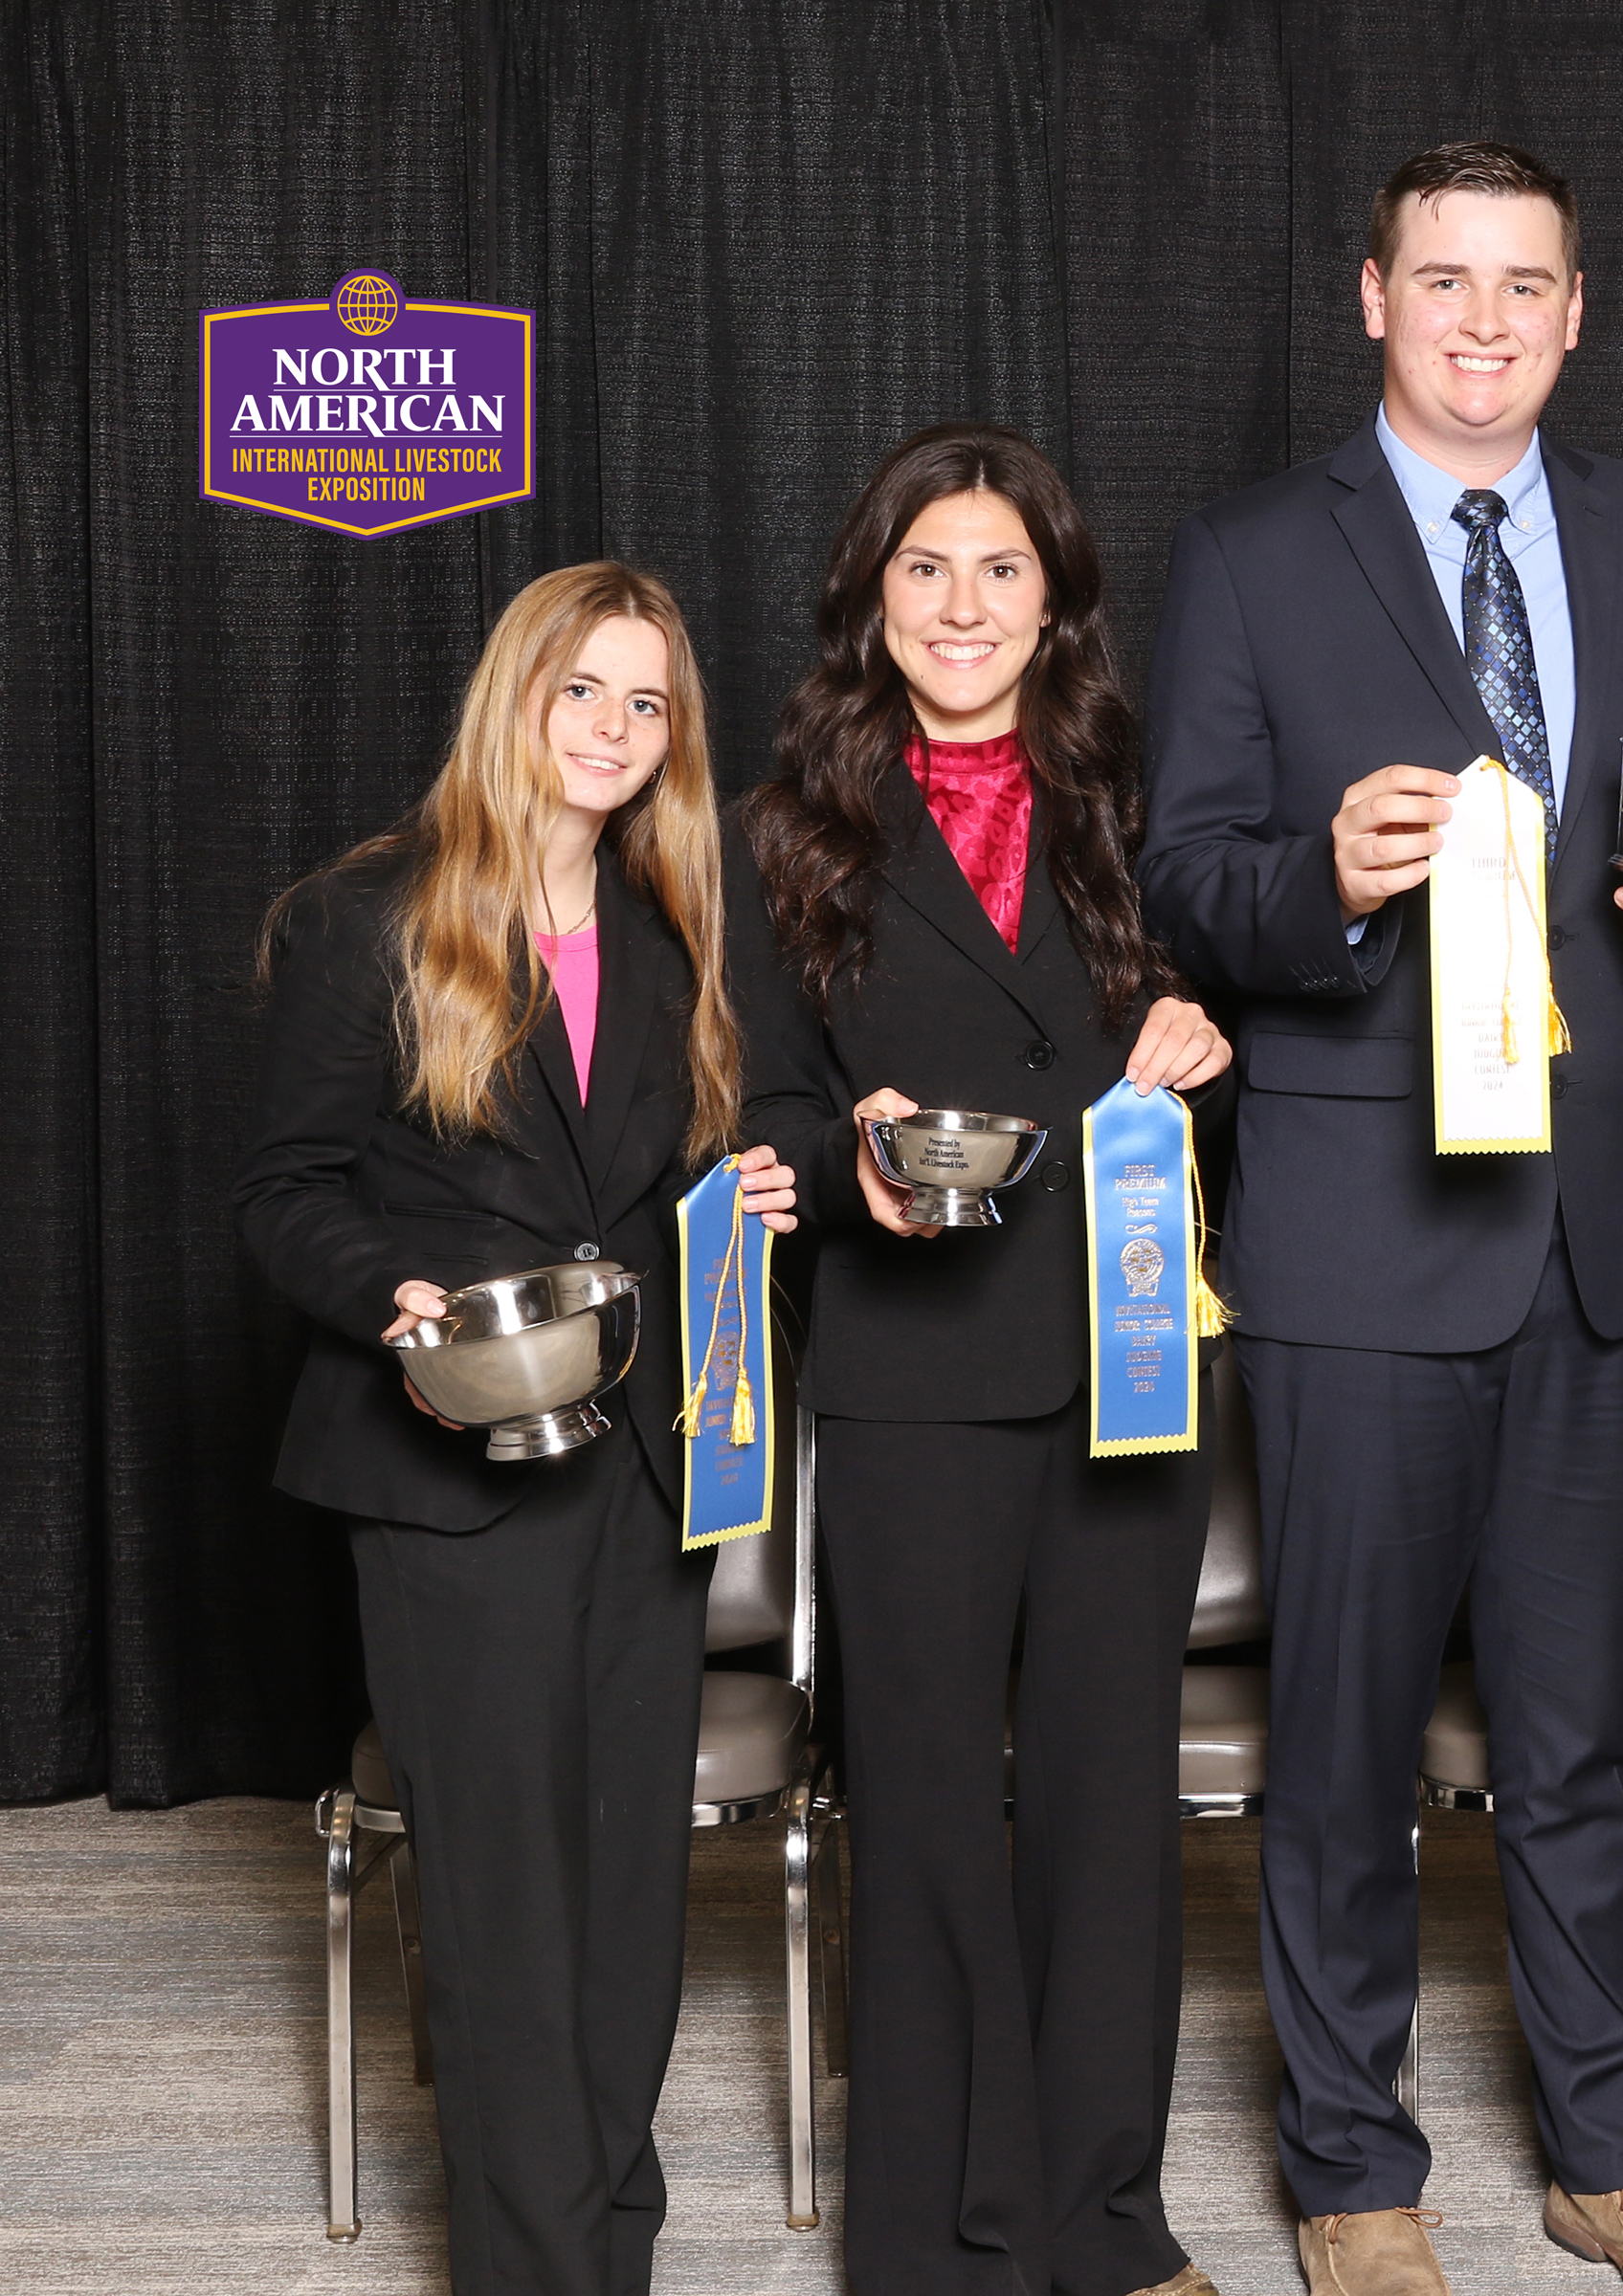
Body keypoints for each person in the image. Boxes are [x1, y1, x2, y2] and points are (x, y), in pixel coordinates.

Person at [1138, 142, 1623, 2296]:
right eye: (1445, 280)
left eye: (1526, 285)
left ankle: (1617, 2147)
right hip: (1359, 1229)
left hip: (1609, 1230)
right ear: (1371, 298)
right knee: (1339, 1736)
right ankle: (1353, 2173)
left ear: (1578, 311)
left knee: (1573, 1722)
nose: (1486, 319)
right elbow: (1187, 883)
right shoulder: (1249, 556)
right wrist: (1319, 873)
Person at [239, 562, 797, 2296]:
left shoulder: (682, 926)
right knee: (504, 1909)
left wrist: (755, 1182)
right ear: (515, 700)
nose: (616, 731)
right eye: (585, 692)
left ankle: (599, 2248)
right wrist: (390, 1294)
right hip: (443, 1470)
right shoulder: (370, 918)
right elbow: (284, 1192)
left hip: (641, 1465)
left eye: (649, 704)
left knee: (629, 1895)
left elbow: (705, 1143)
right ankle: (533, 2269)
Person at [730, 422, 1232, 2296]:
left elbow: (1208, 1001)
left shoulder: (1130, 793)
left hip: (1125, 1359)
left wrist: (1196, 1037)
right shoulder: (784, 823)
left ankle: (1106, 2219)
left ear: (1056, 601)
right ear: (877, 595)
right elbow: (760, 1095)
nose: (965, 605)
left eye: (1003, 570)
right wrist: (847, 1167)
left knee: (1111, 1797)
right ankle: (944, 2238)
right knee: (929, 1798)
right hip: (909, 1366)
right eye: (929, 567)